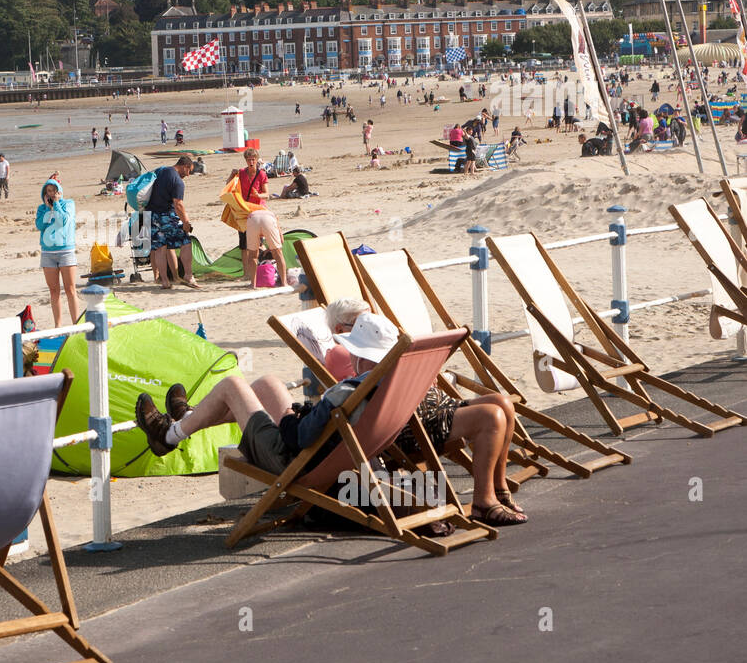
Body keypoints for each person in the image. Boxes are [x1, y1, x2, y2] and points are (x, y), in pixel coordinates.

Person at [135, 312, 527, 526]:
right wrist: (293, 413)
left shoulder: (348, 390)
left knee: (234, 386)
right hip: (336, 450)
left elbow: (302, 436)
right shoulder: (390, 384)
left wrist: (291, 416)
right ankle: (187, 419)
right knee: (270, 383)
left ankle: (167, 436)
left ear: (359, 357)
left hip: (295, 462)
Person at [147, 155, 198, 290]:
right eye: (189, 171)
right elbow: (178, 204)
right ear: (184, 166)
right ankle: (188, 274)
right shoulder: (178, 181)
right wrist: (186, 222)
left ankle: (164, 281)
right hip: (166, 216)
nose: (188, 175)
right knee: (186, 241)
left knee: (159, 248)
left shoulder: (163, 171)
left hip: (152, 215)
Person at [36, 178, 80, 327]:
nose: (52, 193)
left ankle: (76, 323)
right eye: (48, 191)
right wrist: (49, 208)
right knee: (54, 290)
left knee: (70, 289)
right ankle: (58, 325)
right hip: (48, 253)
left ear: (59, 191)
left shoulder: (68, 204)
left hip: (65, 251)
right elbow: (40, 225)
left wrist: (56, 206)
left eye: (54, 190)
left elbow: (63, 221)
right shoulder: (42, 208)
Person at [244, 207, 287, 288]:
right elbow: (281, 240)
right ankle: (284, 283)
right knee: (278, 254)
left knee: (252, 255)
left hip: (252, 219)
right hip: (268, 219)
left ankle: (253, 284)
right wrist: (271, 249)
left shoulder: (252, 213)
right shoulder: (272, 215)